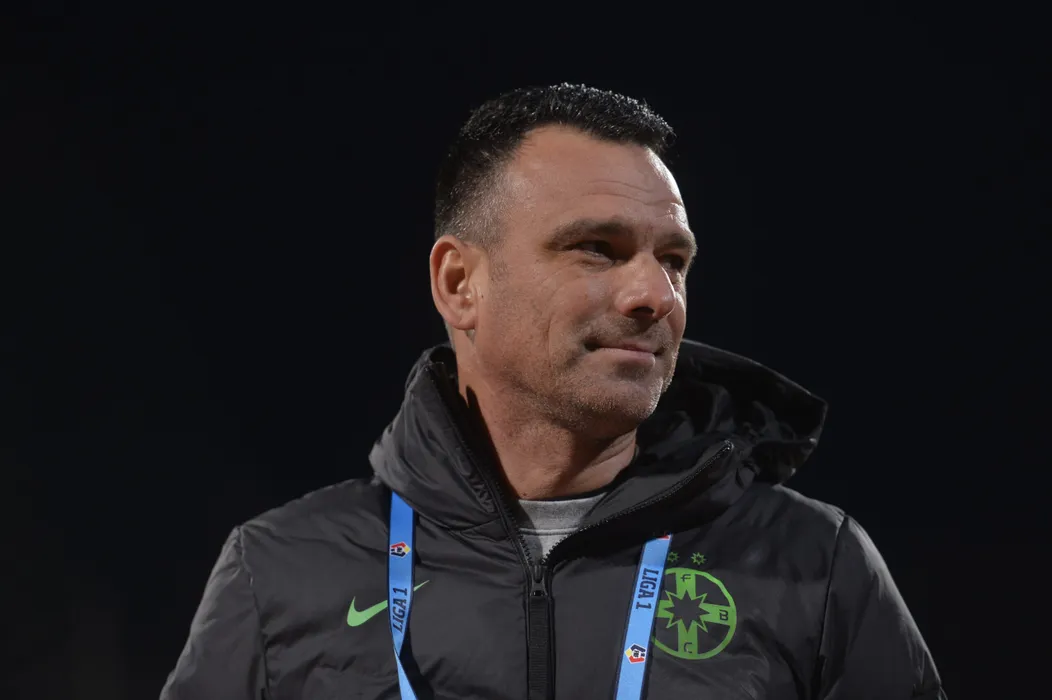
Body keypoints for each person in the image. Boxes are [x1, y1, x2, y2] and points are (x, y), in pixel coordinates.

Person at [160, 83, 945, 700]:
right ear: (460, 283)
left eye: (673, 260)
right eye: (597, 248)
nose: (655, 295)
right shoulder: (283, 572)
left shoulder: (813, 564)